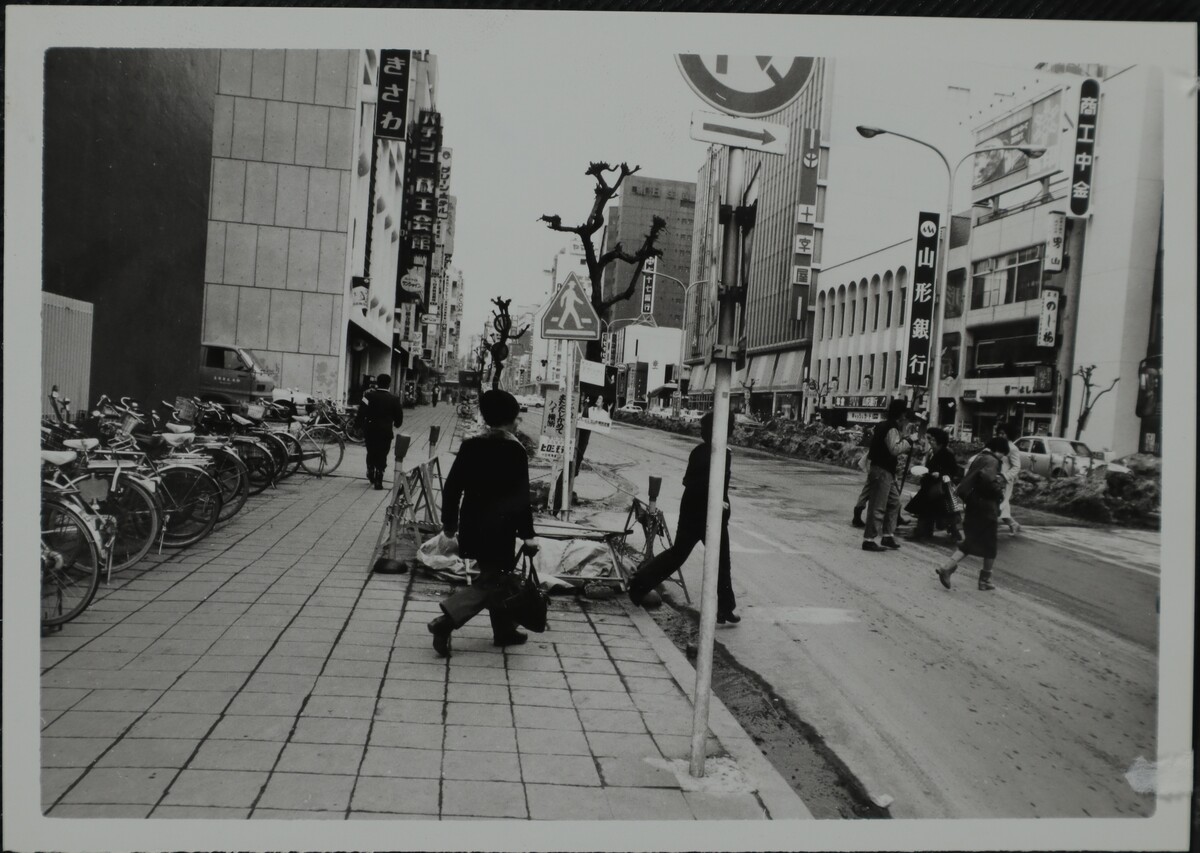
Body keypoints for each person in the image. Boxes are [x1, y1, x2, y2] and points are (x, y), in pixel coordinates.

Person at [427, 390, 538, 657]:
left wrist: (450, 523)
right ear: (512, 420)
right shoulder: (515, 451)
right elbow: (521, 498)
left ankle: (503, 631)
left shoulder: (470, 446)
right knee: (492, 582)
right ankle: (446, 621)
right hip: (500, 528)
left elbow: (452, 488)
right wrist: (528, 535)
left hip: (472, 524)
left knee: (497, 577)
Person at [627, 412, 739, 624]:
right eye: (729, 427)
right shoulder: (703, 453)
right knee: (679, 554)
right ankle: (639, 585)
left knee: (721, 561)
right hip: (697, 513)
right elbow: (691, 482)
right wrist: (714, 498)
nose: (732, 431)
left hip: (714, 515)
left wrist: (721, 504)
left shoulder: (724, 453)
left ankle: (725, 608)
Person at [935, 436, 1011, 591]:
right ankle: (982, 579)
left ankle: (950, 567)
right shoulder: (992, 461)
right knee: (990, 544)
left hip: (973, 504)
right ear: (1000, 450)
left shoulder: (980, 458)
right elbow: (988, 482)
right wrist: (999, 490)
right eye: (1004, 454)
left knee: (973, 540)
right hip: (985, 506)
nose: (1003, 457)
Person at [862, 398, 918, 552]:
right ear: (901, 415)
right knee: (878, 506)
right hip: (882, 470)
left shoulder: (884, 426)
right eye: (905, 416)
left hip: (884, 470)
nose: (905, 419)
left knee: (894, 503)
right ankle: (869, 539)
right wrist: (908, 441)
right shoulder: (891, 428)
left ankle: (888, 534)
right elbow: (894, 449)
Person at [904, 427, 963, 542]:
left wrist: (940, 474)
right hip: (931, 485)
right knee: (929, 510)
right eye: (928, 438)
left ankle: (926, 532)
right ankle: (924, 532)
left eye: (931, 439)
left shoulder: (947, 453)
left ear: (938, 440)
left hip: (941, 487)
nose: (929, 441)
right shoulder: (932, 452)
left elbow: (953, 471)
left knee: (943, 512)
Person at [361, 373, 404, 489]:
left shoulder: (368, 396)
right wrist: (397, 423)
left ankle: (370, 470)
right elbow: (399, 417)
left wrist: (358, 425)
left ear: (377, 383)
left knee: (371, 451)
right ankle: (379, 477)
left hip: (370, 430)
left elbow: (361, 412)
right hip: (385, 431)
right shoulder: (394, 399)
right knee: (382, 453)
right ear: (389, 384)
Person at [996, 422, 1023, 536]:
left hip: (1005, 480)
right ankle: (1012, 524)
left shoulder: (1012, 448)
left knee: (1001, 503)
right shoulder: (998, 445)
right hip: (996, 477)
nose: (1001, 435)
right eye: (999, 433)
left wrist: (1005, 476)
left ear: (1009, 434)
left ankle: (1012, 524)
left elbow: (1017, 466)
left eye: (1003, 433)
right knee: (998, 503)